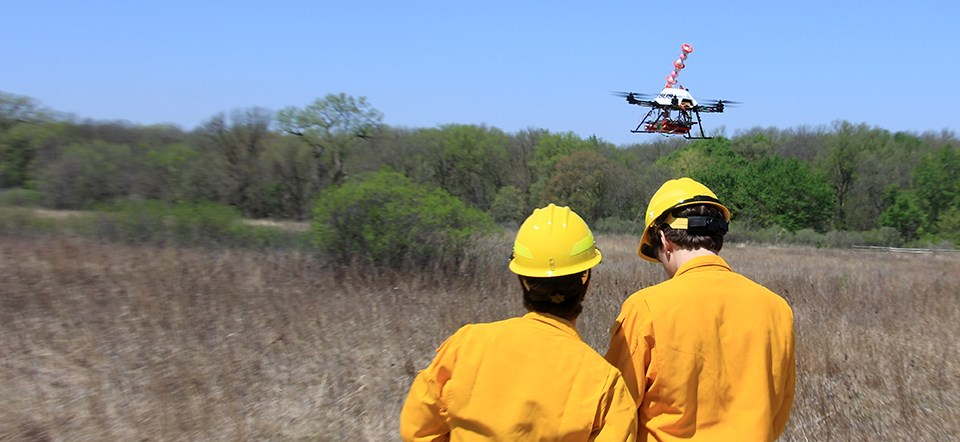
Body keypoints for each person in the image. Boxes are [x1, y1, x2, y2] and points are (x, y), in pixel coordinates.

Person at [400, 203, 638, 441]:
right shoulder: (605, 384)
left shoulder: (465, 346)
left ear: (523, 280)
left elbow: (418, 430)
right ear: (586, 281)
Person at [605, 178, 795, 441]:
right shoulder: (777, 310)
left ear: (664, 240)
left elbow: (612, 415)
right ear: (718, 238)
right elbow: (779, 409)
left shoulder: (645, 309)